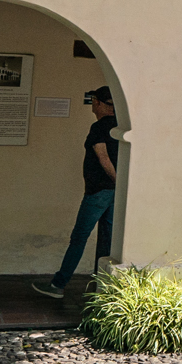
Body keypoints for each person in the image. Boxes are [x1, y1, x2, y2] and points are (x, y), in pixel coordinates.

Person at [34, 88, 119, 299]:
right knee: (106, 240)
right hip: (114, 193)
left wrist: (115, 180)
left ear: (99, 103)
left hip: (99, 191)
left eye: (94, 101)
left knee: (79, 237)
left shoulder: (99, 127)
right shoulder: (119, 127)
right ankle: (102, 288)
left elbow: (103, 157)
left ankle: (58, 285)